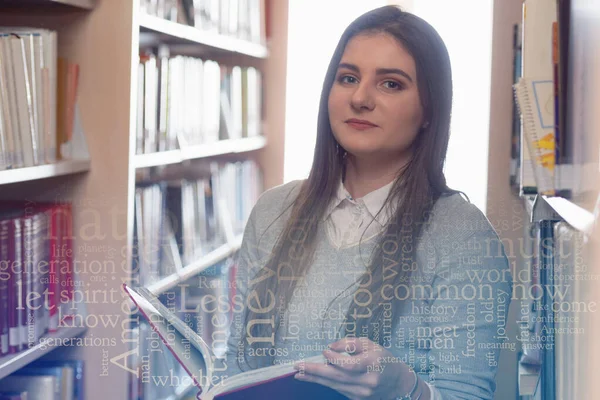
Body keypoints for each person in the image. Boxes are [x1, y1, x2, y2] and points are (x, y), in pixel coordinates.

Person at [213, 5, 512, 400]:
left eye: (391, 84)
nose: (360, 98)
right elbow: (239, 364)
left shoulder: (463, 236)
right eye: (348, 77)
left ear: (429, 110)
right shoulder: (273, 211)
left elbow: (468, 395)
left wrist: (407, 390)